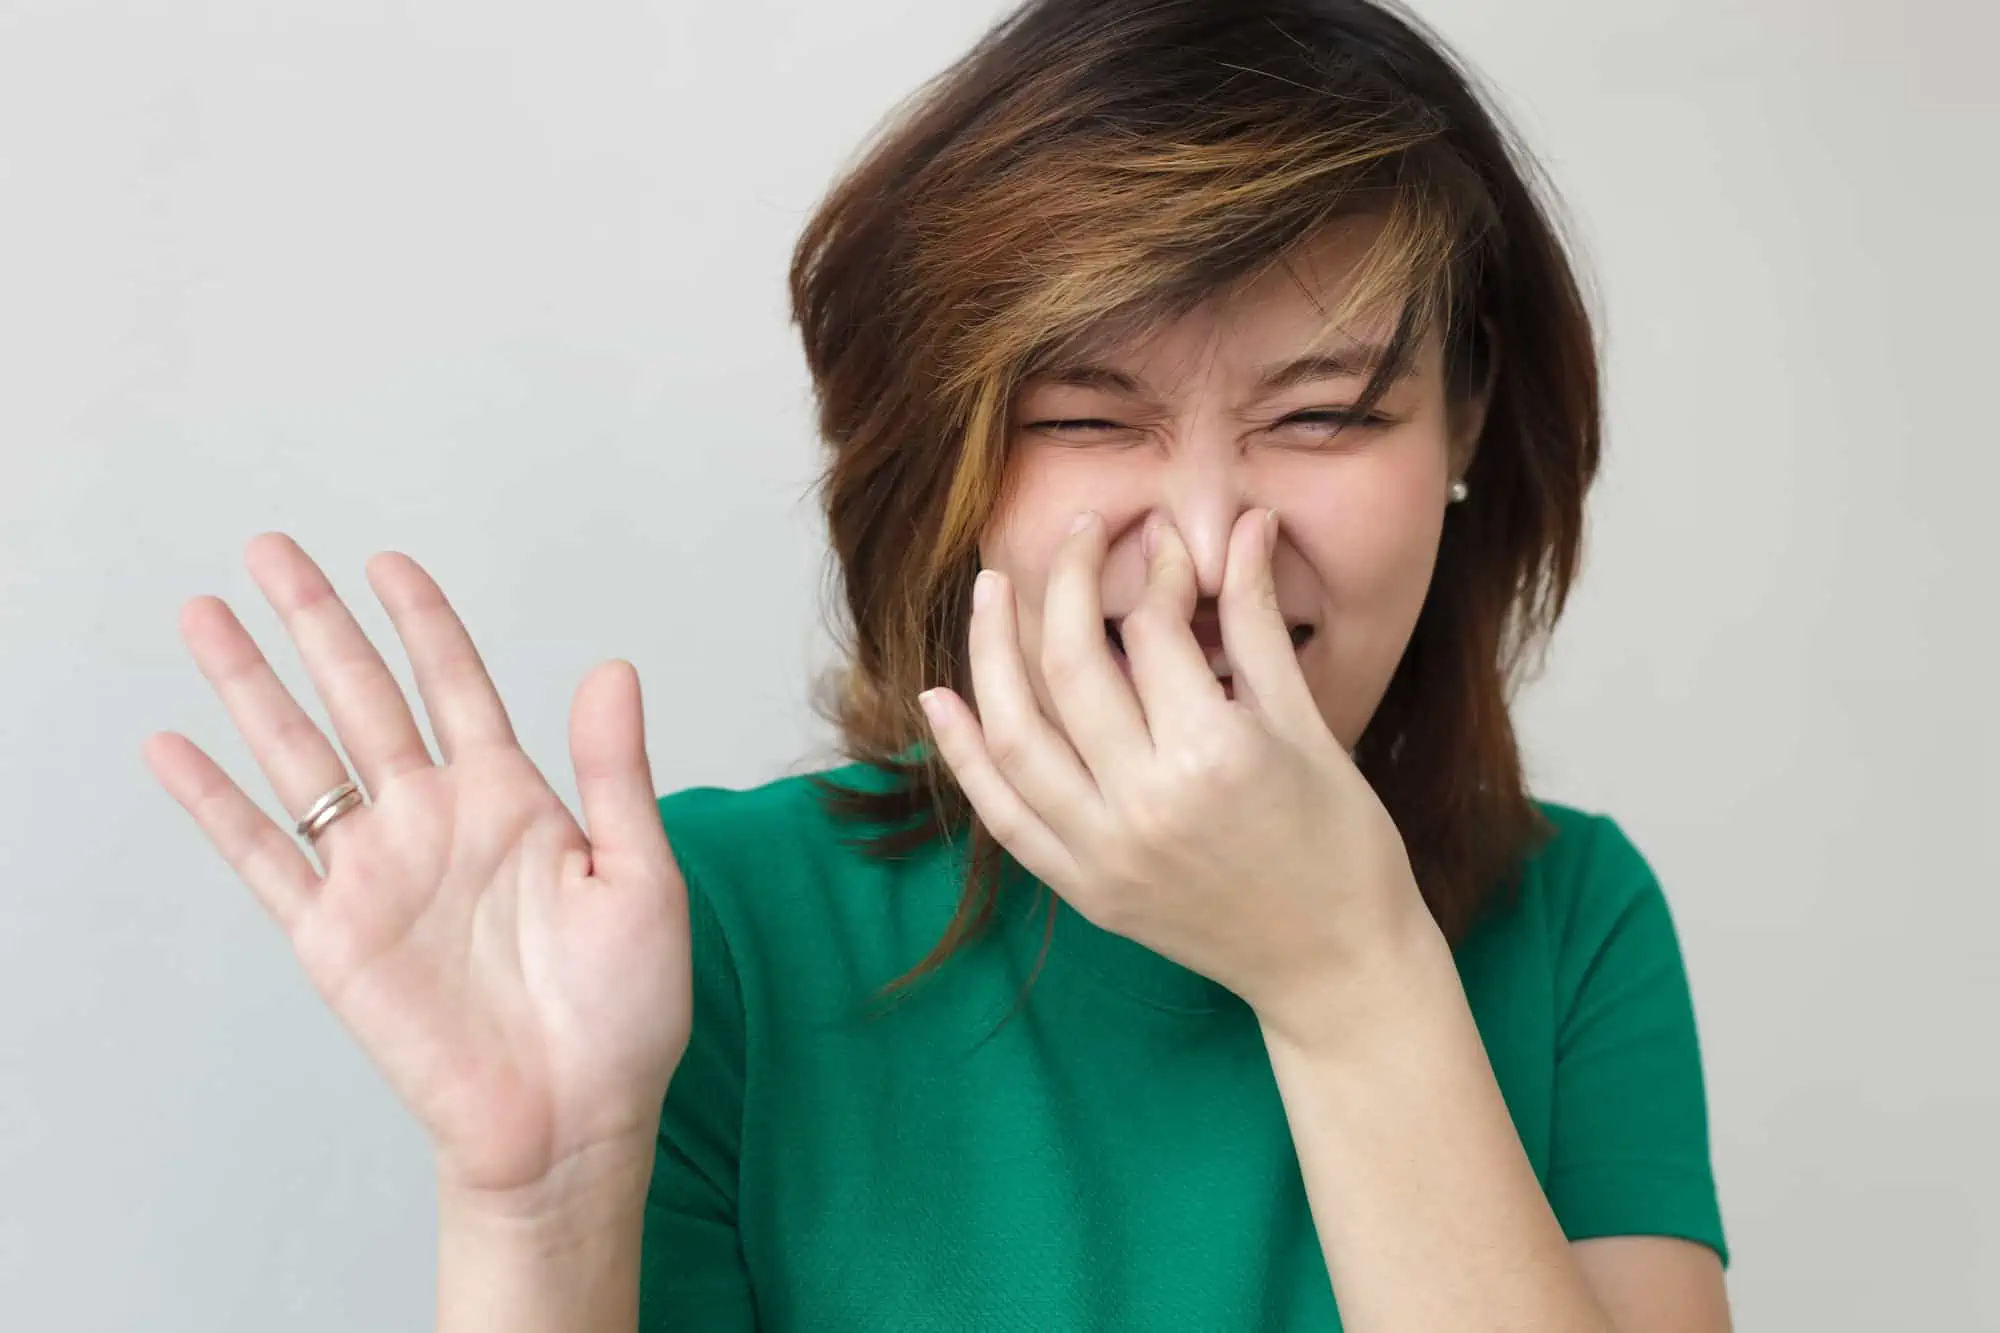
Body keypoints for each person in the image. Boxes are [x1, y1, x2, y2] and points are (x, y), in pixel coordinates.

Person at [143, 0, 1732, 1328]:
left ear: (1465, 427)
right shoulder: (690, 933)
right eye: (1086, 418)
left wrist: (1349, 981)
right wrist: (536, 1212)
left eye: (1322, 415)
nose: (1203, 545)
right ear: (946, 466)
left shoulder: (1571, 923)